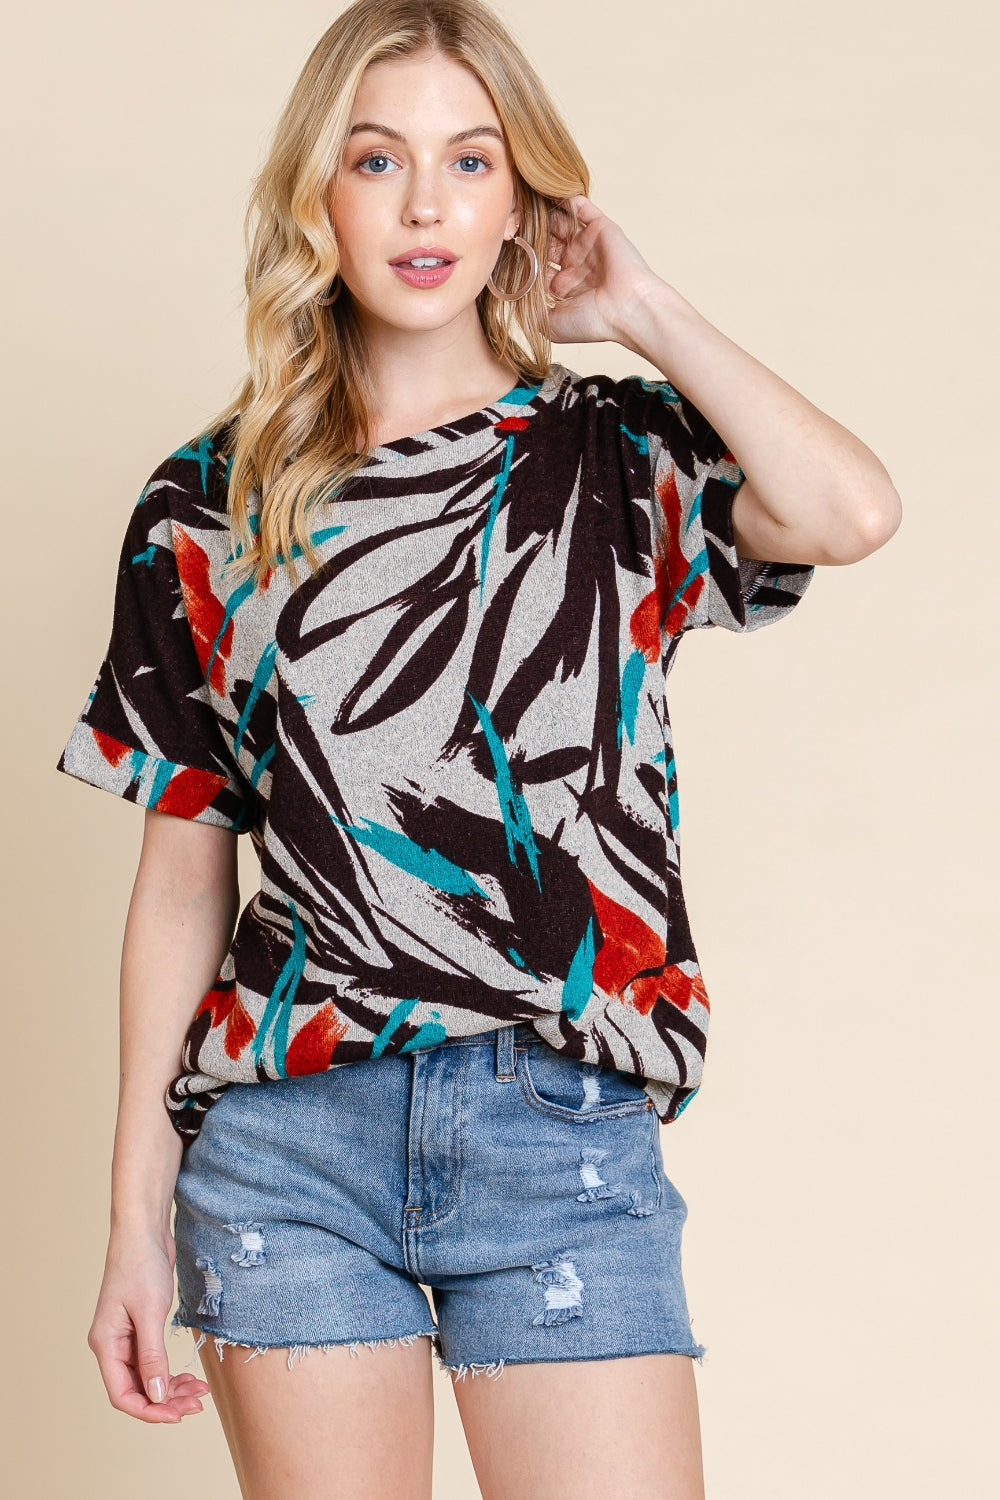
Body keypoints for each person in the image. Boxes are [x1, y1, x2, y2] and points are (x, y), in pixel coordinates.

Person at [55, 2, 901, 1495]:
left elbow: (850, 512)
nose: (428, 203)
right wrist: (133, 1218)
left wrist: (641, 302)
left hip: (558, 1132)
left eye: (471, 159)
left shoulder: (619, 456)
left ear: (524, 199)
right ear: (318, 188)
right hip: (288, 1145)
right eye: (378, 160)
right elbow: (182, 874)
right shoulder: (205, 504)